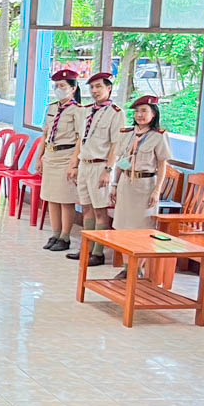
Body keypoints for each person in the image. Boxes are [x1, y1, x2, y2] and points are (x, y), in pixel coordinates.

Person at [109, 96, 173, 278]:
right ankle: (127, 267)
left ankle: (137, 268)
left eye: (144, 111)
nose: (139, 115)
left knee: (143, 229)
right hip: (126, 184)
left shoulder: (159, 136)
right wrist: (114, 184)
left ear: (154, 114)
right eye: (137, 111)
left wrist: (157, 191)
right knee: (123, 227)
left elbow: (162, 165)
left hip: (145, 185)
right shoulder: (127, 133)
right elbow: (121, 162)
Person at [72, 71, 124, 267]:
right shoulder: (86, 111)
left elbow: (115, 145)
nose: (95, 91)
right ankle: (86, 247)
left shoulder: (116, 113)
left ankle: (98, 252)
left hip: (100, 165)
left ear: (109, 88)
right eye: (92, 87)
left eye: (99, 86)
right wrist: (74, 164)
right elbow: (81, 140)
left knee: (100, 210)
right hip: (84, 164)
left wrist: (108, 170)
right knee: (86, 208)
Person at [41, 68, 83, 253]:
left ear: (73, 88)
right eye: (56, 86)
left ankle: (65, 237)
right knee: (52, 197)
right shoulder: (52, 107)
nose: (59, 89)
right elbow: (45, 134)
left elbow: (81, 138)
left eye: (63, 86)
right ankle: (55, 234)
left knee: (66, 199)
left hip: (67, 156)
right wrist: (40, 157)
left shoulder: (78, 110)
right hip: (51, 155)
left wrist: (74, 162)